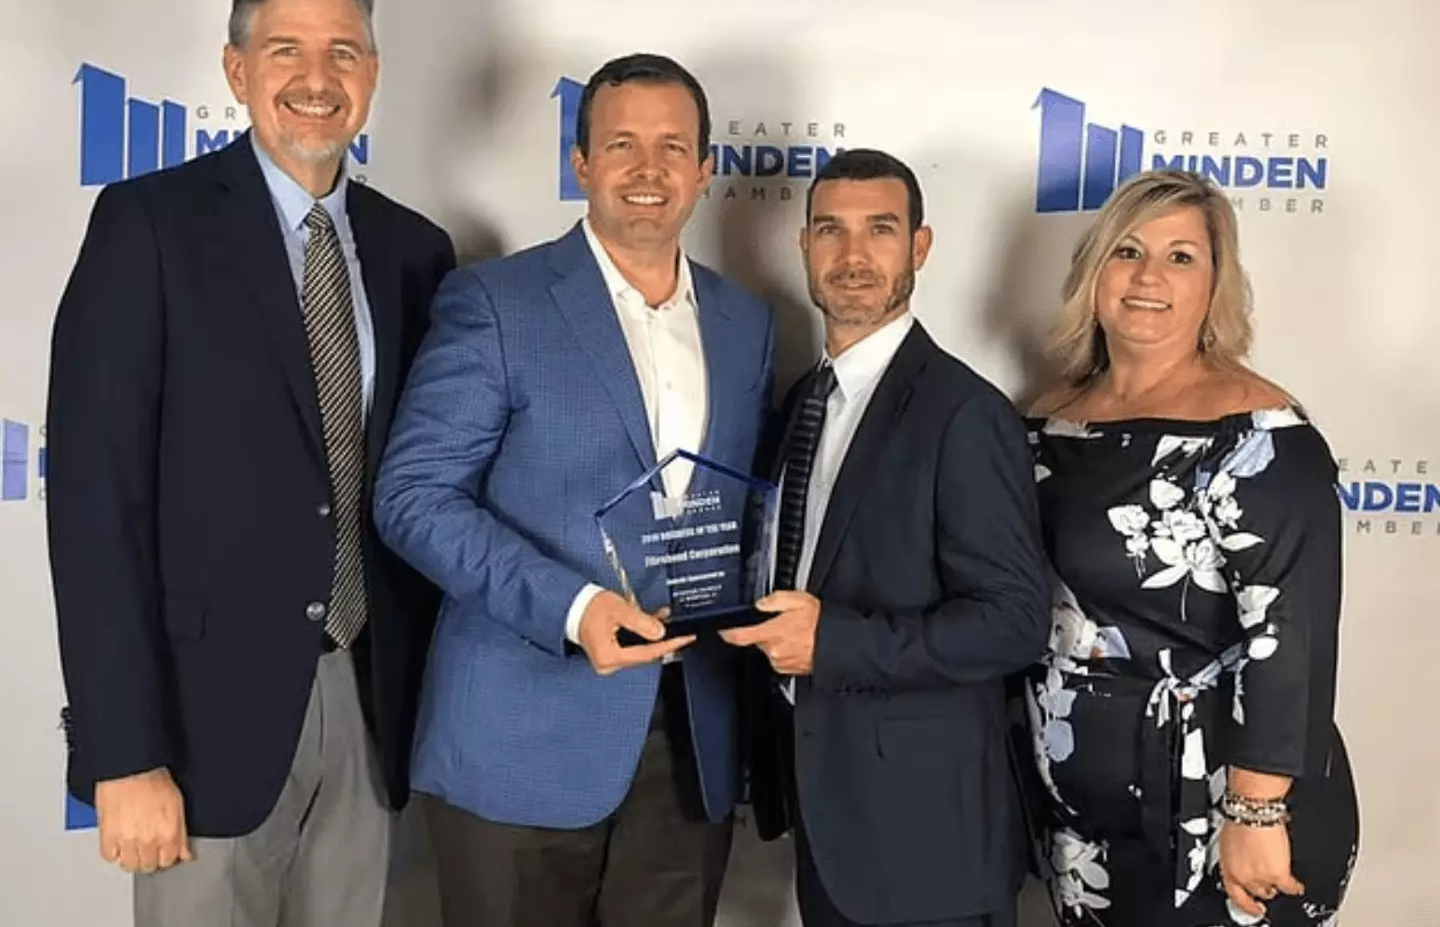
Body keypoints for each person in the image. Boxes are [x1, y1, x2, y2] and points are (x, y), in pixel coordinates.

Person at [45, 0, 456, 927]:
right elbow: (96, 504)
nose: (318, 80)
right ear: (237, 71)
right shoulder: (148, 226)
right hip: (198, 732)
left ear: (374, 74)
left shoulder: (415, 251)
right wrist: (123, 751)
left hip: (370, 712)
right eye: (285, 51)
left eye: (344, 53)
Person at [372, 52, 775, 927]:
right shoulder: (495, 300)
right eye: (621, 143)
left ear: (707, 170)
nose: (648, 169)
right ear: (581, 162)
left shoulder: (747, 323)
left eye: (673, 147)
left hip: (690, 741)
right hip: (517, 736)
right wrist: (574, 606)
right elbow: (413, 495)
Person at [1020, 169, 1360, 926]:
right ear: (1094, 270)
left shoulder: (1262, 437)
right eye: (1128, 251)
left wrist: (1258, 814)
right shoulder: (1045, 422)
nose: (1149, 277)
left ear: (1216, 284)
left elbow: (1292, 637)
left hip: (1216, 813)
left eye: (1181, 257)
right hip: (1080, 814)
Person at [722, 148, 1051, 927]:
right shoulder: (803, 400)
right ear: (803, 247)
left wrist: (831, 642)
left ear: (921, 247)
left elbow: (1013, 622)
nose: (853, 255)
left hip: (927, 845)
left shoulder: (963, 413)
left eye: (880, 229)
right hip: (827, 821)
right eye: (830, 230)